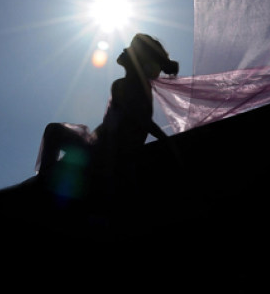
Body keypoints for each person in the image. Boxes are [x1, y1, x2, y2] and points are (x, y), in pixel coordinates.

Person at [35, 34, 179, 195]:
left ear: (138, 59)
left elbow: (141, 119)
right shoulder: (135, 87)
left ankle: (43, 185)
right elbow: (135, 119)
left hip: (104, 155)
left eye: (131, 48)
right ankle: (46, 182)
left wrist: (166, 141)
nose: (125, 49)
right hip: (104, 150)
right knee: (58, 138)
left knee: (54, 131)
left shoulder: (126, 86)